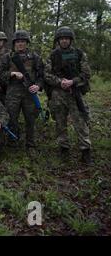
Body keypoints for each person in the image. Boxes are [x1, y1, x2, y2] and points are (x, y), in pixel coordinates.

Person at [44, 26, 92, 163]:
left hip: (75, 92)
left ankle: (85, 149)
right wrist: (60, 82)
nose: (64, 41)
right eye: (61, 39)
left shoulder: (79, 54)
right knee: (60, 122)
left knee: (81, 121)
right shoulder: (52, 55)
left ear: (71, 40)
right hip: (58, 94)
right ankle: (63, 148)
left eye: (66, 39)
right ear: (58, 40)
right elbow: (46, 75)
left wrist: (73, 81)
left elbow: (86, 73)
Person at [0, 30, 44, 150]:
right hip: (13, 91)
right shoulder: (8, 57)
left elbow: (41, 75)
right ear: (14, 43)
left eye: (23, 42)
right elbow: (0, 74)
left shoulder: (35, 57)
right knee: (11, 118)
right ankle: (12, 142)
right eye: (18, 42)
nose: (20, 44)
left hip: (30, 92)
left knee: (30, 119)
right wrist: (12, 73)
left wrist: (38, 86)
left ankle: (30, 145)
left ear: (27, 43)